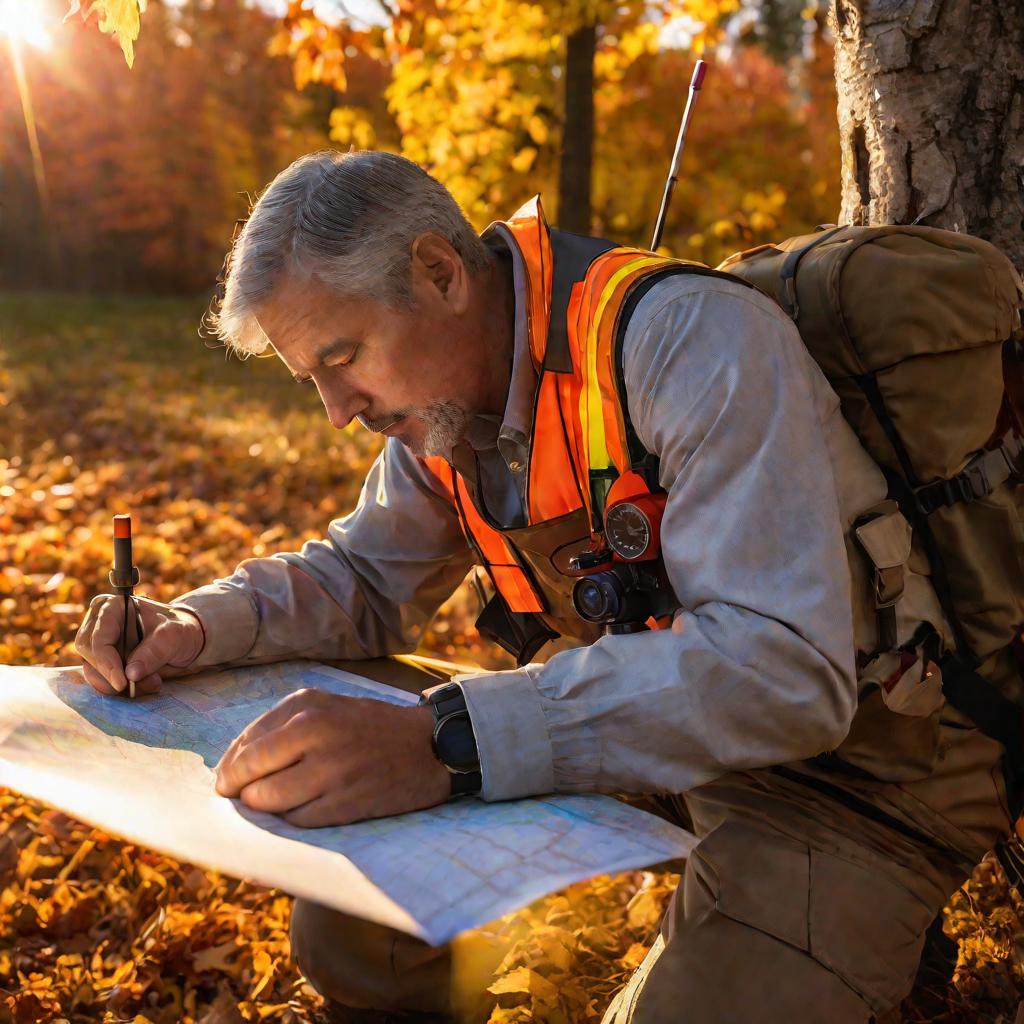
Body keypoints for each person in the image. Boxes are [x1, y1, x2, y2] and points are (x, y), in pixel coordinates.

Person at [75, 150, 1012, 1023]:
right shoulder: (439, 415)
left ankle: (872, 929)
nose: (335, 414)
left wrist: (446, 741)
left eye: (340, 359)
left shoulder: (691, 342)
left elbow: (785, 675)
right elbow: (363, 580)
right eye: (309, 378)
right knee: (350, 928)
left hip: (857, 772)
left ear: (440, 274)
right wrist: (192, 627)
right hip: (655, 748)